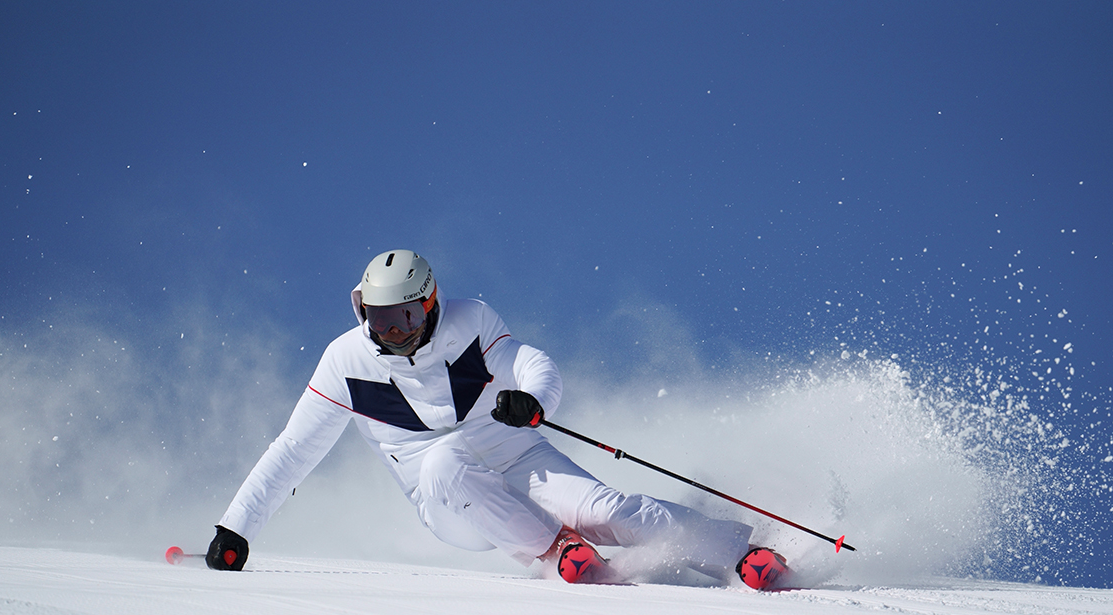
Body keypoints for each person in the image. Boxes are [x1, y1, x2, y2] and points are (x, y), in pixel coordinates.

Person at [207, 249, 789, 589]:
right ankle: (556, 551)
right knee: (443, 459)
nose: (391, 333)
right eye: (378, 318)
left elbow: (534, 364)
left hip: (514, 455)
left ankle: (740, 553)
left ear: (430, 303)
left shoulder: (472, 321)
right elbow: (293, 450)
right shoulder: (346, 361)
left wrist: (533, 402)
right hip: (447, 499)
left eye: (404, 316)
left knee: (607, 510)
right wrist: (236, 529)